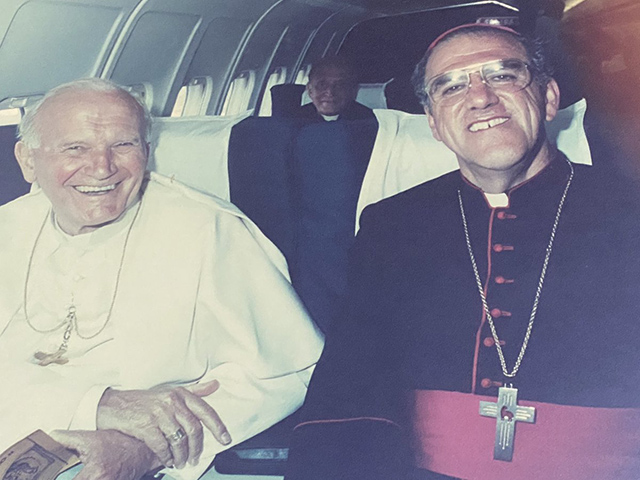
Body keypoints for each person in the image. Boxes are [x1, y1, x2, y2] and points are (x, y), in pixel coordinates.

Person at [285, 24, 640, 480]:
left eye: (503, 75)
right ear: (434, 124)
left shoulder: (629, 211)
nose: (479, 97)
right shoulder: (391, 225)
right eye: (450, 86)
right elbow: (351, 379)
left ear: (549, 98)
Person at [0, 78, 324, 480]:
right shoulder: (7, 228)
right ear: (28, 160)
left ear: (147, 152)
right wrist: (96, 403)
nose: (102, 167)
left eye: (124, 145)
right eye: (74, 148)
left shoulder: (208, 230)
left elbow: (289, 370)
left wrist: (146, 450)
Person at [297, 56, 375, 122]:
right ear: (310, 90)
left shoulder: (372, 123)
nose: (329, 92)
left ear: (353, 91)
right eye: (322, 85)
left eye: (339, 85)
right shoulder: (294, 120)